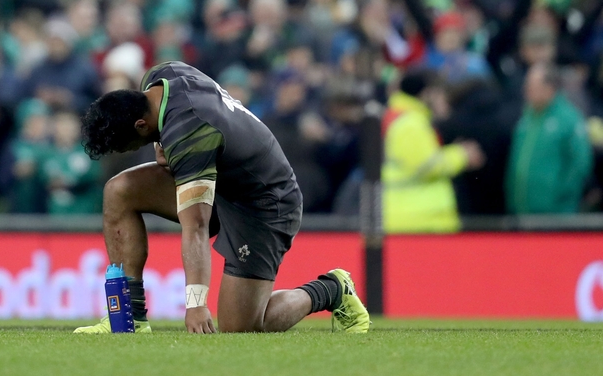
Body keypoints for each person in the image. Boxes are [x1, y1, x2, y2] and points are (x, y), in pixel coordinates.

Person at [74, 61, 369, 334]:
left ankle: (332, 289)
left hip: (264, 204)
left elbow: (197, 227)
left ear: (141, 125)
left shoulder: (191, 135)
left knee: (242, 327)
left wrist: (196, 304)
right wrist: (162, 141)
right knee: (119, 190)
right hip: (221, 180)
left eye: (127, 146)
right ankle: (129, 318)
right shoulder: (162, 75)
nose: (130, 152)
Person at [382, 72, 486, 233]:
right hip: (418, 220)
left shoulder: (407, 118)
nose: (443, 99)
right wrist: (462, 155)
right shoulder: (411, 124)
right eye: (439, 93)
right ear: (426, 94)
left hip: (413, 217)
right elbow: (426, 165)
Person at [506, 63, 592, 214]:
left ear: (549, 87)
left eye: (532, 85)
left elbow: (580, 163)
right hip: (522, 209)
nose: (526, 89)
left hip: (555, 213)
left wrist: (560, 195)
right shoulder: (527, 116)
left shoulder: (568, 119)